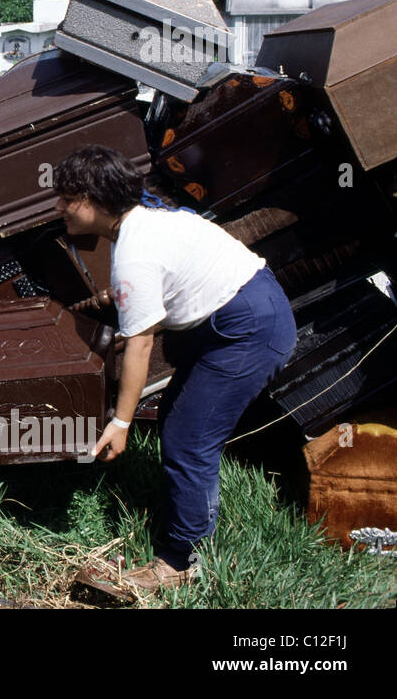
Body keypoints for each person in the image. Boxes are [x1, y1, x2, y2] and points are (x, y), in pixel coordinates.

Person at [53, 145, 296, 591]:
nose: (59, 207)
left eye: (68, 198)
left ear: (96, 199)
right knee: (178, 423)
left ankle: (183, 562)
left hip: (249, 330)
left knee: (188, 440)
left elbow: (141, 346)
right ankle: (190, 528)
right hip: (240, 312)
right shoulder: (147, 216)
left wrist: (121, 421)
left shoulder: (133, 255)